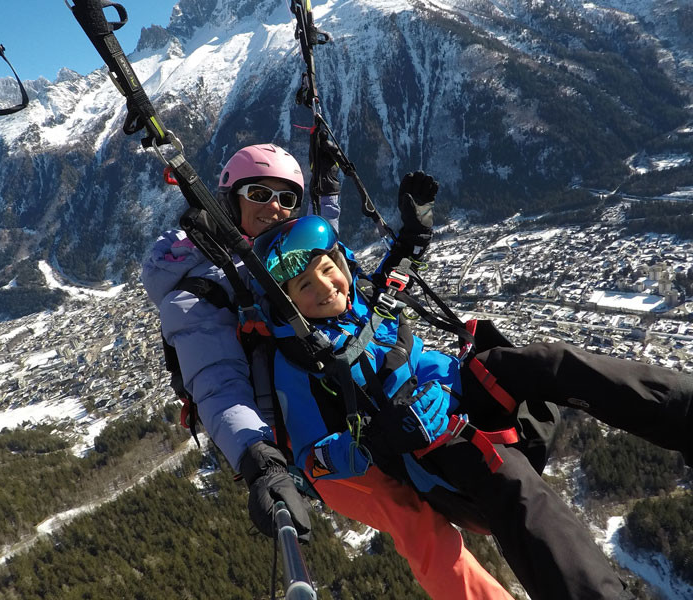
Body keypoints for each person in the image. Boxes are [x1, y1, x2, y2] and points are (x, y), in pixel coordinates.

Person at [251, 181, 693, 599]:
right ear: (289, 303)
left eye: (329, 270)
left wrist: (412, 233)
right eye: (306, 286)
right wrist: (380, 437)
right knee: (512, 482)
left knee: (546, 362)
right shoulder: (299, 361)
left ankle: (684, 410)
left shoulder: (362, 301)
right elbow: (313, 458)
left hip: (459, 387)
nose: (327, 287)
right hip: (431, 443)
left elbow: (397, 284)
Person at [142, 144, 517, 599]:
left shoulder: (290, 251)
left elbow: (352, 294)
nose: (274, 208)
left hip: (366, 404)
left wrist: (402, 240)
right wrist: (260, 461)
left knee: (488, 449)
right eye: (258, 193)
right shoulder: (204, 290)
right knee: (416, 523)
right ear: (229, 201)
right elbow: (218, 384)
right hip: (315, 440)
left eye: (287, 198)